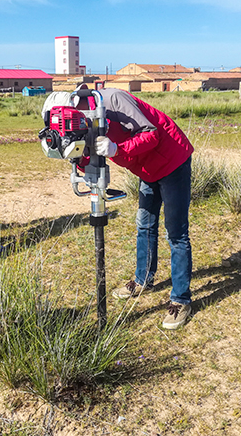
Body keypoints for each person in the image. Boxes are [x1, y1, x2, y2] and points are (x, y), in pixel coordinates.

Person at [74, 87, 194, 330]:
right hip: (146, 168)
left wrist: (117, 149)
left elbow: (151, 135)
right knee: (145, 224)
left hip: (172, 159)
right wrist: (75, 157)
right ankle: (143, 279)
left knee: (176, 232)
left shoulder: (113, 100)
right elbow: (87, 154)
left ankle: (181, 299)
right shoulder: (76, 120)